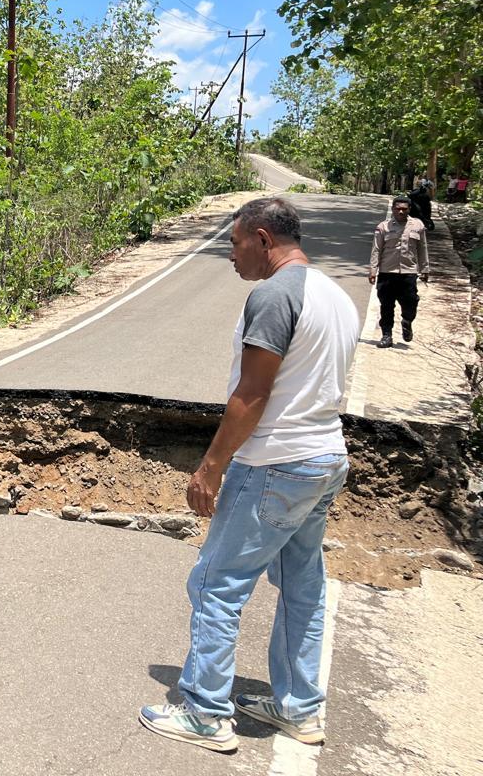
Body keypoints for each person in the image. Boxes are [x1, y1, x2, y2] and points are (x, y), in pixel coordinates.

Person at [140, 197, 359, 754]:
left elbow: (253, 393)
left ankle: (205, 711)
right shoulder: (336, 294)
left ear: (262, 239)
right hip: (324, 457)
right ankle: (299, 708)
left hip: (275, 463)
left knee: (217, 583)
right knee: (304, 585)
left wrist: (211, 465)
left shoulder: (273, 295)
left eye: (234, 243)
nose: (230, 255)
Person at [368, 196, 430, 348]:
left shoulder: (418, 225)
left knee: (411, 302)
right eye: (397, 208)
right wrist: (373, 270)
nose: (401, 211)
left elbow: (422, 248)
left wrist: (425, 268)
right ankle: (386, 335)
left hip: (408, 272)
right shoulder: (383, 227)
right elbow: (376, 249)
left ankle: (407, 321)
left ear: (409, 209)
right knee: (386, 305)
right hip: (387, 272)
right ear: (392, 209)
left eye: (404, 208)